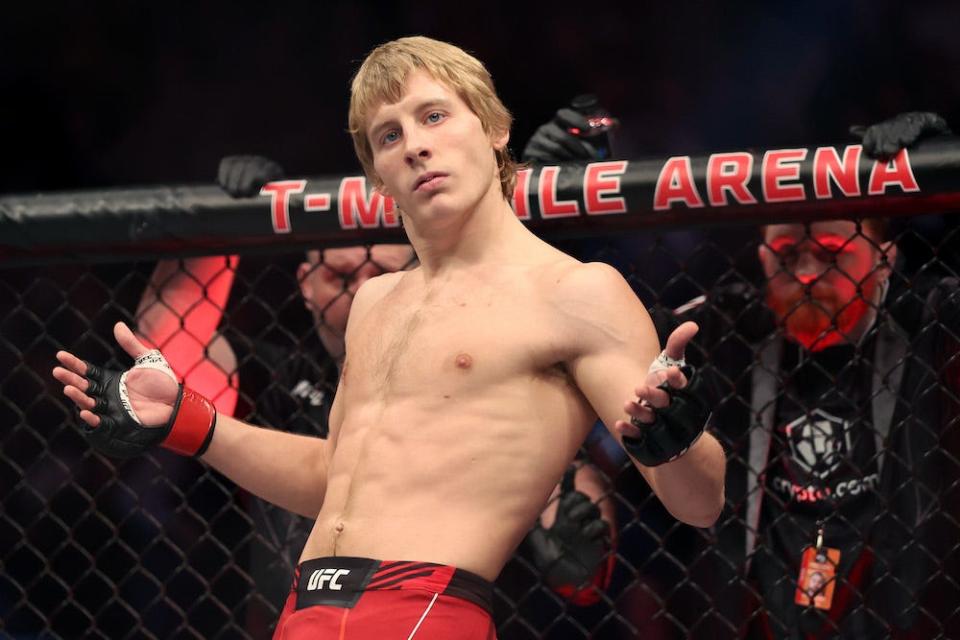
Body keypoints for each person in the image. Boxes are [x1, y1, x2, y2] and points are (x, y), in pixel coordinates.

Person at [52, 36, 725, 638]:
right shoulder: (377, 300)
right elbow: (332, 476)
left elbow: (699, 504)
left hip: (425, 611)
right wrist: (185, 420)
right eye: (389, 135)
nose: (416, 145)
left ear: (494, 130)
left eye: (434, 116)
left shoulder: (575, 292)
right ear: (378, 174)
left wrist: (677, 440)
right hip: (304, 607)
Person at [525, 105, 959, 638]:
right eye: (785, 253)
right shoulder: (729, 328)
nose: (803, 273)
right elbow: (590, 331)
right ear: (759, 256)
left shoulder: (932, 322)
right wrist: (540, 209)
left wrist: (948, 169)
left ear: (885, 258)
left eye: (828, 254)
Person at [137, 156, 617, 626]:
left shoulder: (485, 383)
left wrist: (584, 546)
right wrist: (217, 226)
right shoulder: (277, 377)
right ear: (305, 284)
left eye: (382, 274)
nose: (362, 292)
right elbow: (166, 347)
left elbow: (575, 539)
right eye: (340, 276)